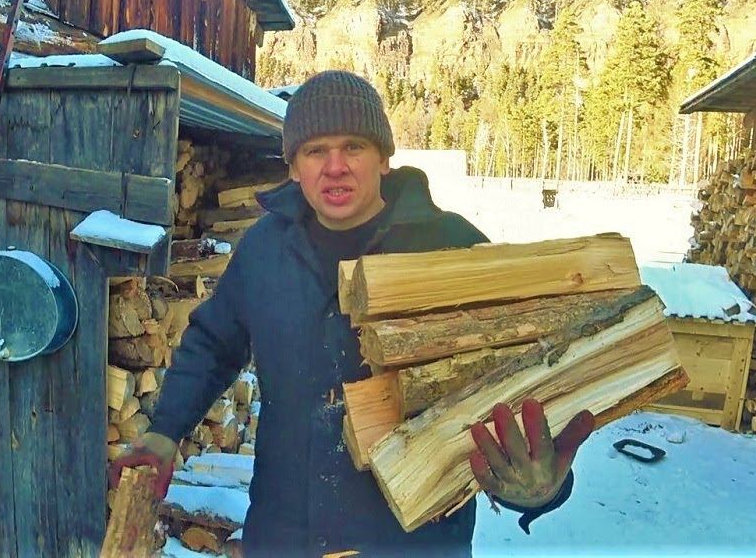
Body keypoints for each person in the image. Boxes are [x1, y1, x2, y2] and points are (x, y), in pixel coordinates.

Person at [110, 70, 593, 557]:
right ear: (294, 166)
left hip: (412, 541)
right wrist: (165, 430)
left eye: (354, 147)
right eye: (316, 150)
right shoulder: (266, 248)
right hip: (284, 535)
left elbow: (524, 376)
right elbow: (214, 343)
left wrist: (542, 486)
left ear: (383, 157)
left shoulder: (450, 249)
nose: (335, 166)